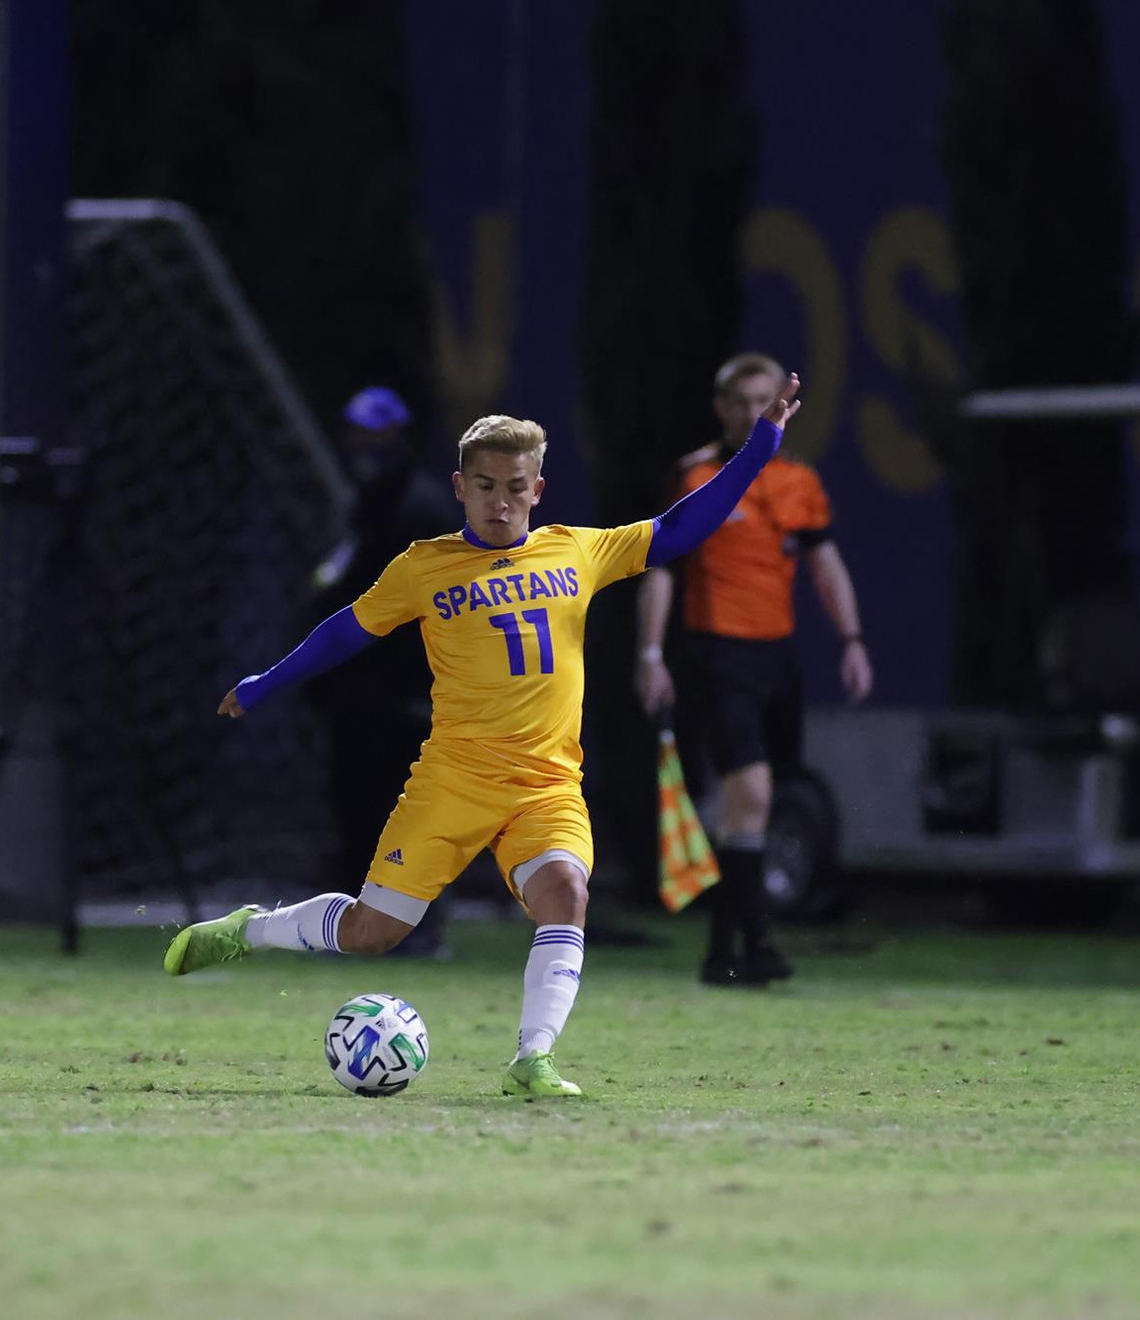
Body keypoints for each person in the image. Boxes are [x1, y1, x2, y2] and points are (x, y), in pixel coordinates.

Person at [165, 372, 806, 1098]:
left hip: (546, 785)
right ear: (460, 486)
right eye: (485, 485)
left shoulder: (576, 550)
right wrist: (267, 681)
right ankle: (250, 930)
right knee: (374, 933)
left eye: (515, 487)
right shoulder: (425, 567)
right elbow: (349, 628)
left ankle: (533, 1060)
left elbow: (681, 529)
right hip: (455, 779)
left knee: (566, 891)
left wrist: (756, 454)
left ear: (538, 490)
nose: (500, 501)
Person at [634, 352, 873, 987]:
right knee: (754, 792)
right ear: (721, 408)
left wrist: (851, 639)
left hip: (778, 656)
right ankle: (756, 942)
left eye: (763, 400)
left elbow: (826, 564)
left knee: (754, 806)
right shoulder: (699, 477)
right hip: (717, 655)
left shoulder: (799, 483)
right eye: (740, 401)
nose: (751, 412)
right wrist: (651, 655)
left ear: (783, 406)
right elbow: (661, 569)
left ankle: (725, 952)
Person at [307, 387, 457, 958]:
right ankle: (356, 926)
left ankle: (419, 929)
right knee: (357, 807)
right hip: (357, 692)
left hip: (406, 693)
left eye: (378, 436)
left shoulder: (421, 509)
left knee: (408, 812)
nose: (366, 448)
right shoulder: (366, 503)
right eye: (357, 435)